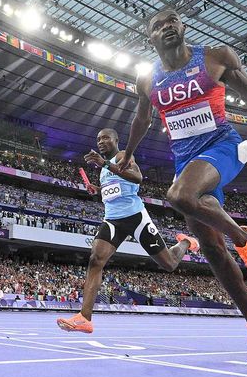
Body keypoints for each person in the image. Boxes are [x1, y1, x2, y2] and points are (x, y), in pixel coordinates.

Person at [117, 9, 247, 368]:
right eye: (158, 25)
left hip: (221, 146)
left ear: (183, 27)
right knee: (213, 250)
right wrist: (129, 153)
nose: (167, 26)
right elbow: (143, 117)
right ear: (149, 38)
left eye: (173, 20)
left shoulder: (215, 57)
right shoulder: (147, 79)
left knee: (179, 196)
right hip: (186, 163)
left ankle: (245, 240)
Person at [56, 128, 199, 333]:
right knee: (96, 259)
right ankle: (84, 318)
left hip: (135, 217)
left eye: (105, 138)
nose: (101, 141)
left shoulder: (122, 156)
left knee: (169, 264)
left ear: (116, 140)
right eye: (98, 139)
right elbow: (116, 188)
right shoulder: (104, 169)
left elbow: (136, 178)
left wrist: (105, 162)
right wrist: (98, 189)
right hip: (112, 219)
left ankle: (185, 242)